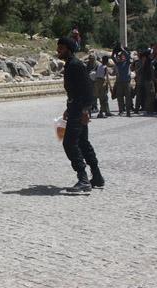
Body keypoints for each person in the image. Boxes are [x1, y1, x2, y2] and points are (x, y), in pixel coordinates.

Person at [57, 37, 104, 192]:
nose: (58, 51)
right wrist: (68, 108)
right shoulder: (70, 65)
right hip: (75, 108)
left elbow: (87, 89)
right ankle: (96, 176)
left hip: (80, 110)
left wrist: (85, 110)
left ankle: (83, 179)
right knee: (83, 142)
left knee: (69, 143)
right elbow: (74, 91)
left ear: (69, 49)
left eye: (61, 48)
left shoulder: (76, 65)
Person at [111, 45, 133, 117]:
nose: (121, 57)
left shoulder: (127, 63)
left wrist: (122, 49)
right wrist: (114, 52)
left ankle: (128, 111)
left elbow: (128, 56)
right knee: (119, 97)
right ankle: (121, 110)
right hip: (119, 82)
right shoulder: (118, 64)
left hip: (127, 82)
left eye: (122, 56)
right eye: (120, 56)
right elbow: (112, 57)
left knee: (128, 97)